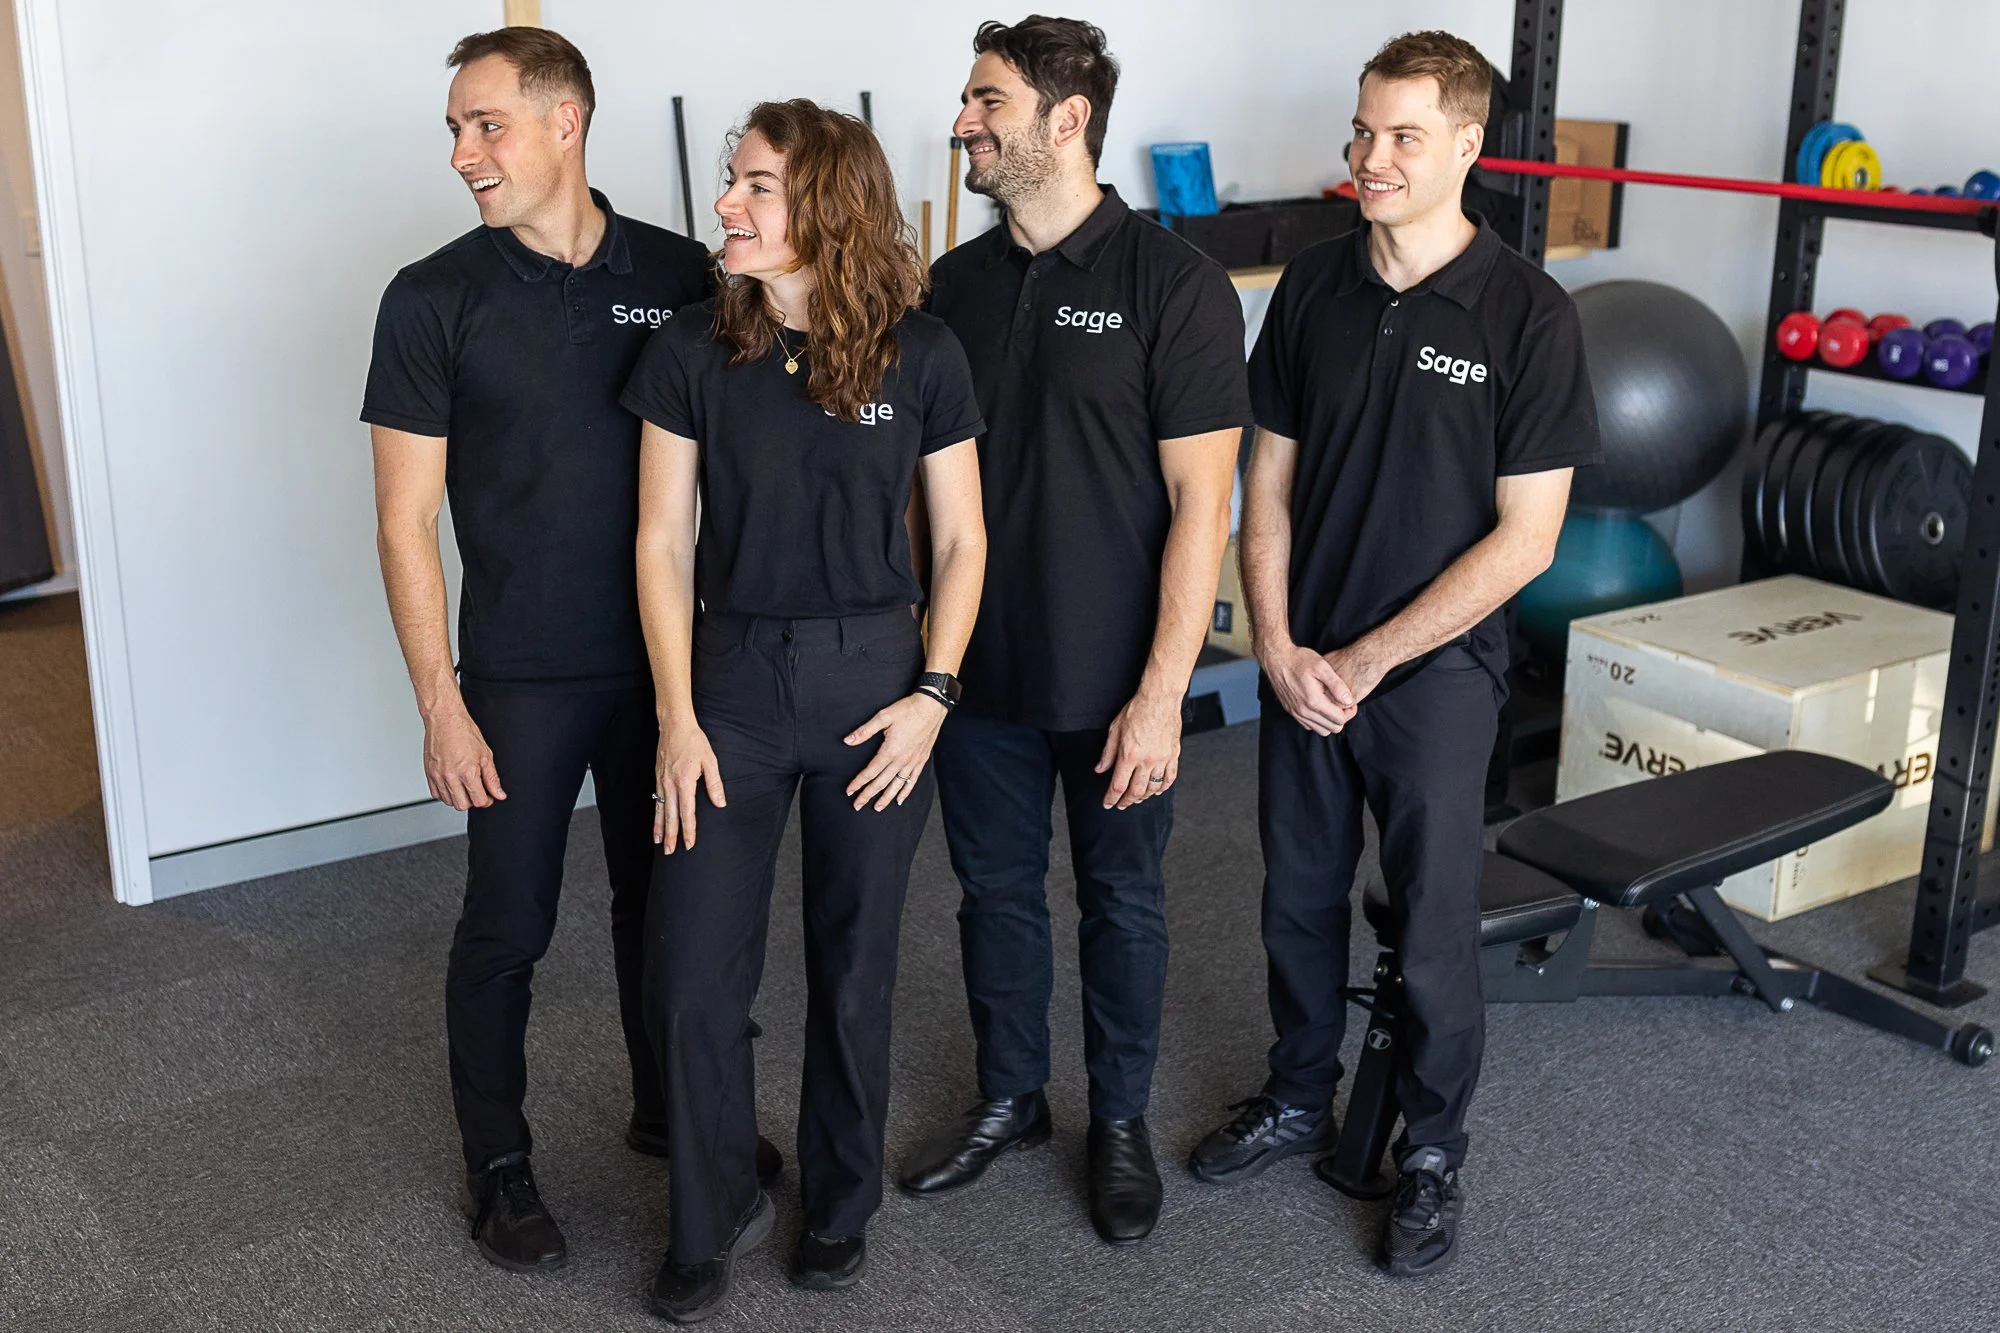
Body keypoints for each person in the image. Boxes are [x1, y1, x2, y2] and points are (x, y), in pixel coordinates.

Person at [361, 27, 781, 1274]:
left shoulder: (684, 271)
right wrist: (440, 703)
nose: (462, 154)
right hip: (518, 680)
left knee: (668, 908)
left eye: (484, 124)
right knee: (508, 924)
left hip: (668, 670)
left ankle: (668, 1109)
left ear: (566, 121)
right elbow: (403, 519)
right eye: (453, 129)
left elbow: (756, 441)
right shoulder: (431, 297)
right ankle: (497, 1164)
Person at [1187, 31, 1600, 1278]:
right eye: (1362, 130)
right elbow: (1264, 487)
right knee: (1294, 898)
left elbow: (1526, 540)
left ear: (1465, 146)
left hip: (1431, 678)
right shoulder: (1312, 287)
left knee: (1429, 924)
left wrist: (1364, 661)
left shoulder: (1526, 314)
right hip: (1302, 659)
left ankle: (1429, 1150)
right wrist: (1275, 642)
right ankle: (1295, 1094)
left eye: (1402, 136)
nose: (1369, 156)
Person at [622, 100, 987, 1323]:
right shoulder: (690, 348)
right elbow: (661, 541)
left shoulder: (920, 352)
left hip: (874, 684)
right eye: (731, 180)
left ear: (825, 205)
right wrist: (675, 717)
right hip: (727, 683)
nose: (726, 202)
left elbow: (962, 539)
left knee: (855, 962)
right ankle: (710, 1204)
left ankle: (837, 1203)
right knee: (691, 972)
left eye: (756, 185)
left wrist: (933, 695)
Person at [897, 16, 1249, 1247]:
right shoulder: (952, 288)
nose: (962, 124)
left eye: (986, 101)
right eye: (965, 101)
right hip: (975, 669)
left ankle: (1118, 1121)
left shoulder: (1174, 285)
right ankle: (1010, 1098)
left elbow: (1203, 505)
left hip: (1115, 681)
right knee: (991, 893)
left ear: (1067, 118)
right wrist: (925, 655)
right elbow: (924, 485)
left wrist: (1162, 693)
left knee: (1121, 901)